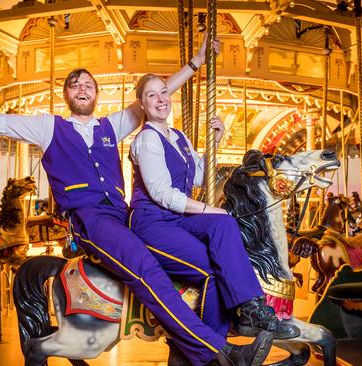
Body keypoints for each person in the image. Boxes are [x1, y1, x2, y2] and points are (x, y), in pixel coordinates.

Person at [0, 37, 274, 366]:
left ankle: (198, 345)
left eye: (87, 82)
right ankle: (216, 351)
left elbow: (158, 94)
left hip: (122, 216)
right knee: (144, 268)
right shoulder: (49, 126)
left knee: (205, 267)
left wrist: (196, 62)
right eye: (74, 84)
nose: (82, 86)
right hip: (90, 220)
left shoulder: (112, 126)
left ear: (96, 93)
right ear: (68, 95)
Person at [128, 74, 301, 362]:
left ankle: (251, 307)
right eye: (152, 95)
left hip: (176, 218)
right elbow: (161, 193)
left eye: (163, 93)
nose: (161, 100)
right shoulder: (147, 139)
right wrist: (209, 208)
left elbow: (199, 176)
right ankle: (208, 353)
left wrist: (215, 142)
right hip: (152, 221)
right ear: (142, 104)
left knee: (224, 223)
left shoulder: (178, 137)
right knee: (211, 269)